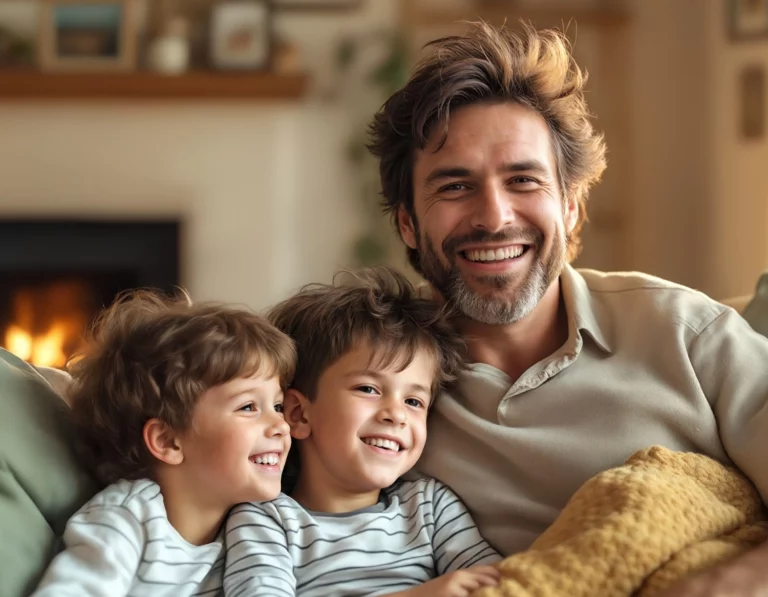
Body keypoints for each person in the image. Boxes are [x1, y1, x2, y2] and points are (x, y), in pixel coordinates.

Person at [366, 21, 768, 595]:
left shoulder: (687, 332)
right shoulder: (363, 378)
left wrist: (734, 581)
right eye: (454, 187)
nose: (494, 216)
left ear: (572, 205)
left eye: (523, 179)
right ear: (407, 221)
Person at [223, 268, 501, 597]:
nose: (396, 414)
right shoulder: (266, 519)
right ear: (298, 413)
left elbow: (499, 583)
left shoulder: (429, 507)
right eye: (368, 389)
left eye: (413, 400)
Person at [32, 290, 296, 597]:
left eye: (277, 406)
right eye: (248, 407)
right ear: (168, 440)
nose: (280, 425)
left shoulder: (262, 520)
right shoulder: (126, 518)